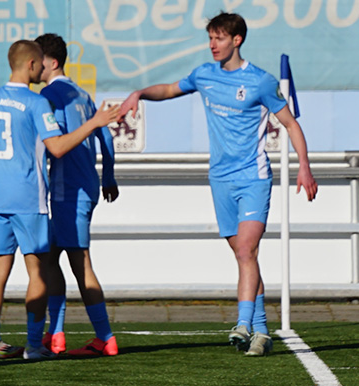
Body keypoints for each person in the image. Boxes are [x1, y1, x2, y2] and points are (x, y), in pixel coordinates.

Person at [119, 12, 318, 356]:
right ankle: (262, 332)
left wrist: (305, 167)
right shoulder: (204, 75)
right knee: (245, 256)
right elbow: (168, 90)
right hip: (220, 180)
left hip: (253, 178)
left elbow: (291, 124)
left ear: (237, 40)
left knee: (246, 251)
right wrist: (139, 93)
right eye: (210, 38)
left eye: (219, 38)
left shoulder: (259, 81)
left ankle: (242, 324)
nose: (212, 45)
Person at [0, 40, 119, 360]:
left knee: (1, 270)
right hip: (37, 195)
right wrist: (107, 168)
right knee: (47, 267)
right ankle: (44, 342)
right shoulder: (51, 100)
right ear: (34, 64)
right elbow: (61, 146)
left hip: (0, 197)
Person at [34, 33, 119, 356]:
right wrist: (108, 176)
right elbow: (105, 137)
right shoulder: (81, 94)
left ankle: (105, 338)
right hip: (81, 186)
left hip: (69, 192)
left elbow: (54, 143)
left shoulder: (51, 94)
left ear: (51, 62)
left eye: (37, 58)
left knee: (80, 264)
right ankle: (54, 335)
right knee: (50, 260)